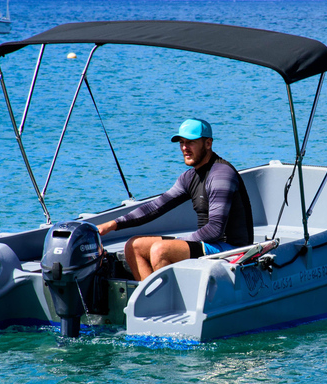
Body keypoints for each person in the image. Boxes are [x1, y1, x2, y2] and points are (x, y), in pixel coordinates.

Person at [97, 119, 253, 281]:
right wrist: (112, 225)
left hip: (232, 249)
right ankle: (152, 300)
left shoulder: (221, 174)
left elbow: (214, 230)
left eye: (190, 142)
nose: (184, 148)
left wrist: (178, 243)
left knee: (161, 250)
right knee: (133, 246)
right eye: (181, 142)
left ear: (208, 143)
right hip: (208, 244)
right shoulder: (189, 177)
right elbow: (155, 207)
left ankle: (170, 303)